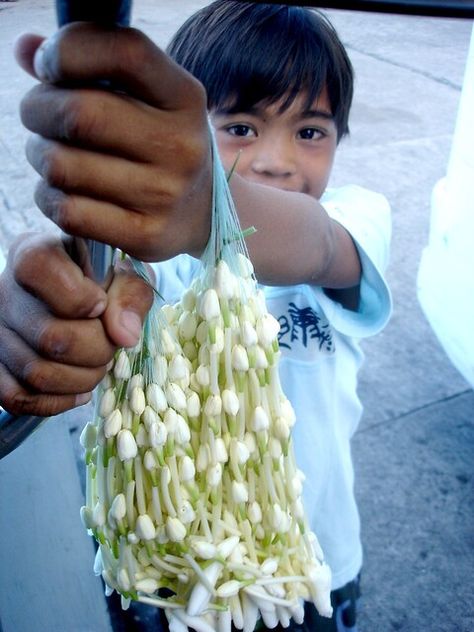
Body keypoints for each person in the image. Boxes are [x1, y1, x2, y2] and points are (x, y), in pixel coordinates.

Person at [0, 2, 391, 630]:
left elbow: (319, 244)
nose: (276, 160)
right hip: (167, 579)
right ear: (185, 135)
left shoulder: (356, 219)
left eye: (310, 132)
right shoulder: (154, 262)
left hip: (310, 571)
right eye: (239, 126)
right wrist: (40, 293)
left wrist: (206, 196)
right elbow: (81, 290)